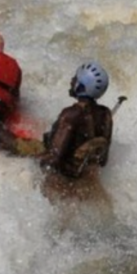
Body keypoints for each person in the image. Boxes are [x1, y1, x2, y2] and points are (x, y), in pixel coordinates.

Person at [39, 61, 115, 205]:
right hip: (88, 183)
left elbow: (54, 157)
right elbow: (103, 160)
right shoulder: (106, 114)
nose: (71, 81)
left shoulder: (70, 114)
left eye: (75, 78)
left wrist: (31, 161)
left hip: (63, 183)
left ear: (81, 87)